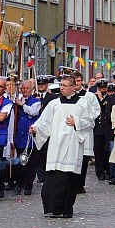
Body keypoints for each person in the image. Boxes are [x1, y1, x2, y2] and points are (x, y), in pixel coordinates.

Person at [30, 76, 92, 218]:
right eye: (61, 85)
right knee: (53, 177)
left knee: (67, 177)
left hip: (72, 145)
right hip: (56, 145)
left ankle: (65, 209)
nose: (61, 88)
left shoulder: (82, 103)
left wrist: (77, 122)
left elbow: (90, 122)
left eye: (65, 85)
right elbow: (44, 122)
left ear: (73, 87)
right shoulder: (54, 104)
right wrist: (36, 129)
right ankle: (51, 208)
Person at [12, 79, 41, 195]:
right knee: (19, 162)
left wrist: (22, 104)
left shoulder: (35, 102)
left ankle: (29, 185)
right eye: (23, 88)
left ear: (32, 89)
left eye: (27, 88)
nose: (25, 90)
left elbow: (33, 112)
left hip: (30, 138)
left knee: (30, 163)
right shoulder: (17, 101)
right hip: (19, 136)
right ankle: (19, 183)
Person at [73, 72, 101, 194]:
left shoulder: (89, 96)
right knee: (73, 157)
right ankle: (72, 182)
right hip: (72, 130)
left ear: (82, 81)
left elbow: (96, 110)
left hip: (86, 130)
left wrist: (84, 119)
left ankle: (80, 184)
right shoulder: (68, 96)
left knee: (84, 158)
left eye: (78, 81)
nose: (77, 83)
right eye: (74, 81)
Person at [93, 79, 112, 181]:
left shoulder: (109, 98)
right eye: (101, 88)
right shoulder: (93, 98)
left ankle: (108, 171)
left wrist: (102, 99)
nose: (102, 90)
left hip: (107, 128)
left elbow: (107, 109)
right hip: (97, 128)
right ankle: (99, 172)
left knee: (107, 151)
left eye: (104, 88)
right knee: (98, 152)